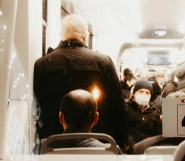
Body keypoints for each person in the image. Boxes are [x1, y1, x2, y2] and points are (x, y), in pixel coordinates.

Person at [33, 13, 128, 147]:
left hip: (54, 143)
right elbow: (118, 106)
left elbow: (36, 106)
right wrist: (122, 141)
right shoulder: (103, 62)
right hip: (97, 142)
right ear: (85, 35)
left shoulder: (42, 65)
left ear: (61, 34)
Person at [126, 79, 163, 148]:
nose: (144, 95)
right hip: (130, 151)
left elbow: (158, 135)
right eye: (141, 92)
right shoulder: (126, 109)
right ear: (134, 94)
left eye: (147, 93)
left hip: (150, 150)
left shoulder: (155, 112)